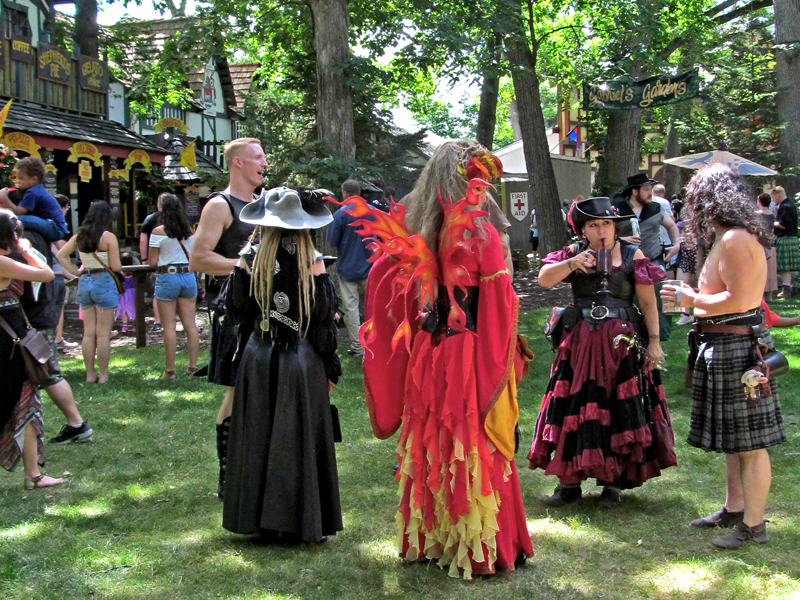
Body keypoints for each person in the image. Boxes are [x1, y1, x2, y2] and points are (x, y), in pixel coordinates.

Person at [358, 140, 534, 578]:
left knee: (434, 439)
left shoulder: (415, 227)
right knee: (472, 439)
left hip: (428, 351)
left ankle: (435, 540)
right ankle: (478, 547)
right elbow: (498, 300)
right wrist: (507, 353)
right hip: (468, 352)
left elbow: (387, 287)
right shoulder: (479, 232)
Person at [661, 164, 783, 549]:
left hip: (736, 348)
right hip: (720, 345)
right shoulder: (723, 238)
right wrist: (692, 296)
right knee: (736, 440)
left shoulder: (735, 239)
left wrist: (692, 299)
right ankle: (735, 508)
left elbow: (741, 301)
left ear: (710, 197)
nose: (691, 204)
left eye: (695, 195)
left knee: (750, 443)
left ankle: (754, 525)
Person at [529, 197, 676, 506]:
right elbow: (543, 279)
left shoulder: (634, 255)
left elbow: (648, 303)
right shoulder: (573, 254)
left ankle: (613, 483)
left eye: (606, 224)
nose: (601, 231)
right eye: (593, 226)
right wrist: (574, 263)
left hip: (620, 344)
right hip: (581, 341)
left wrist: (654, 341)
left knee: (617, 406)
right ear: (583, 230)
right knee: (574, 405)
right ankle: (568, 483)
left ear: (615, 226)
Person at [222, 187, 343, 543]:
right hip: (302, 360)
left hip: (258, 357)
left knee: (258, 434)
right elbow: (323, 320)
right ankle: (299, 520)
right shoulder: (312, 258)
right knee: (298, 437)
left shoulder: (249, 257)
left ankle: (258, 519)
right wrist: (331, 366)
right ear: (303, 225)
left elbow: (237, 311)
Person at [189, 137, 266, 500]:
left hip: (265, 310)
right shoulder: (220, 206)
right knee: (236, 392)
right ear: (238, 163)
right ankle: (228, 473)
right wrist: (243, 265)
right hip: (234, 312)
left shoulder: (261, 205)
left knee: (263, 389)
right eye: (258, 157)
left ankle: (258, 466)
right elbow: (198, 258)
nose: (264, 163)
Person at [0, 209, 63, 489]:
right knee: (24, 404)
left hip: (7, 338)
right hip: (9, 344)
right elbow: (47, 274)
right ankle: (33, 475)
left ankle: (33, 474)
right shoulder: (3, 262)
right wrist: (27, 251)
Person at [15, 225, 93, 445]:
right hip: (38, 315)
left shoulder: (20, 243)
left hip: (30, 320)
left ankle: (75, 424)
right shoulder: (37, 234)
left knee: (44, 372)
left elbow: (35, 279)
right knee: (47, 371)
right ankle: (76, 424)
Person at [56, 201, 121, 384]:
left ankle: (90, 375)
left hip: (85, 281)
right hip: (104, 282)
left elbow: (60, 255)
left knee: (88, 332)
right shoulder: (108, 238)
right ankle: (104, 375)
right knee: (103, 333)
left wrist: (74, 271)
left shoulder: (79, 236)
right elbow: (115, 266)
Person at [614, 173, 681, 341]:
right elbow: (606, 235)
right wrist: (621, 239)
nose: (650, 193)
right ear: (634, 192)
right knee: (629, 303)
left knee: (658, 302)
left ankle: (658, 340)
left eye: (651, 189)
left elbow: (672, 226)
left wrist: (676, 244)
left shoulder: (656, 208)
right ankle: (629, 336)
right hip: (627, 266)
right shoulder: (617, 210)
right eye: (646, 190)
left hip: (654, 263)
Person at [148, 194, 199, 380]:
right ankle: (192, 367)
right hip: (187, 276)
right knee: (190, 325)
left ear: (161, 208)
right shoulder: (189, 231)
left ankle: (169, 371)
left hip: (167, 276)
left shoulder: (158, 232)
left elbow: (152, 260)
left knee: (168, 325)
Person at [326, 179, 372, 357]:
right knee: (372, 307)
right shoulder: (373, 212)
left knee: (351, 309)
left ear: (344, 193)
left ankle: (358, 347)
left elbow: (330, 243)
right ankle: (373, 344)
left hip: (347, 269)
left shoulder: (340, 215)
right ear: (359, 193)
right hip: (370, 268)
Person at [0, 157, 68, 243]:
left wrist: (3, 197)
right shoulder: (38, 189)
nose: (18, 181)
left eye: (21, 178)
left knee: (16, 219)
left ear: (33, 179)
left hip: (54, 227)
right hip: (54, 227)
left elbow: (18, 211)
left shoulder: (33, 192)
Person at [51, 194, 78, 350]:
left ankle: (58, 339)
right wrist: (70, 273)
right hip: (55, 271)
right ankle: (56, 340)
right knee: (56, 307)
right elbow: (59, 254)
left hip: (56, 270)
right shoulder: (55, 225)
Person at [139, 195, 163, 333]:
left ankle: (158, 321)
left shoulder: (150, 219)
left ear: (158, 204)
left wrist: (144, 259)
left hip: (155, 260)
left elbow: (143, 240)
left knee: (157, 292)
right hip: (179, 263)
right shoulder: (180, 221)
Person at [771, 186, 797, 298]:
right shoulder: (790, 204)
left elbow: (783, 224)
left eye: (774, 198)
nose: (773, 200)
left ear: (779, 195)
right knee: (786, 268)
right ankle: (787, 289)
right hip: (791, 238)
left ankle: (786, 291)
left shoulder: (785, 207)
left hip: (785, 238)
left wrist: (772, 222)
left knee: (784, 267)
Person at [757, 193, 779, 302]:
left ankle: (761, 296)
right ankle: (769, 296)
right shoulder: (773, 215)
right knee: (771, 271)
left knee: (760, 271)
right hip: (772, 245)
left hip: (761, 245)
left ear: (760, 202)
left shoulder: (757, 214)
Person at [116, 252, 137, 335]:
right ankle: (136, 325)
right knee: (135, 308)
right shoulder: (134, 273)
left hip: (124, 294)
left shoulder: (121, 273)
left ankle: (124, 326)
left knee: (124, 309)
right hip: (133, 293)